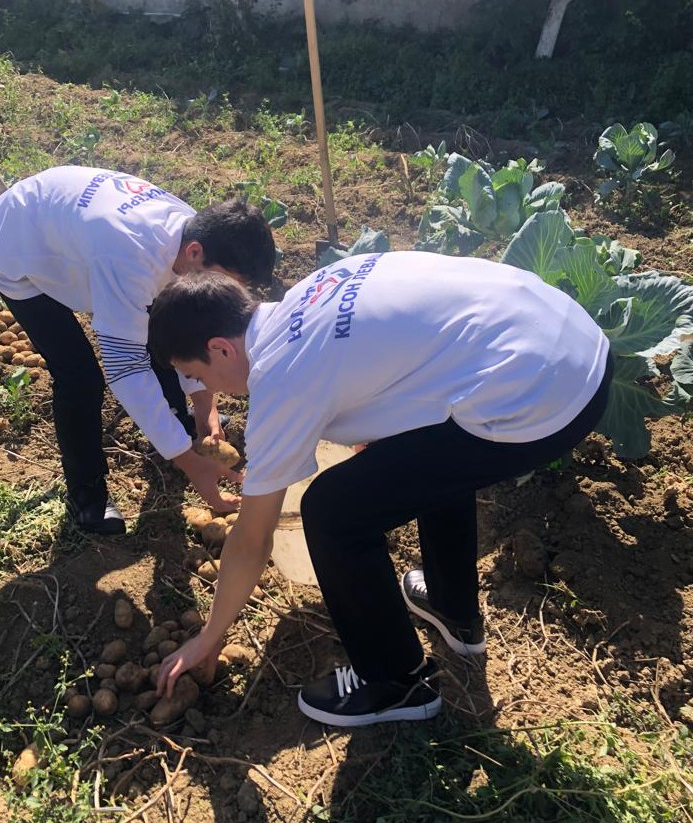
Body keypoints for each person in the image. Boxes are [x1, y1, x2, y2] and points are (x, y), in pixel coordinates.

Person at [148, 251, 613, 727]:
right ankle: (453, 610)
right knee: (430, 450)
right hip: (573, 341)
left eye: (201, 375)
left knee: (333, 511)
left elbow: (251, 539)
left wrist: (208, 636)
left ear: (222, 348)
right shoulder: (314, 290)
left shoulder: (281, 378)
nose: (212, 389)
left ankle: (397, 682)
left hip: (545, 396)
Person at [0, 166, 275, 536]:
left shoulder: (190, 236)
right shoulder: (129, 257)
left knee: (156, 327)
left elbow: (183, 327)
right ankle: (87, 498)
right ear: (196, 253)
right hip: (20, 250)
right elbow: (125, 368)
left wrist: (203, 406)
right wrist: (191, 465)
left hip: (69, 230)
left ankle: (176, 423)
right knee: (80, 376)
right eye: (228, 281)